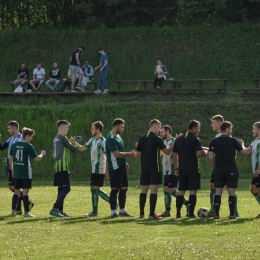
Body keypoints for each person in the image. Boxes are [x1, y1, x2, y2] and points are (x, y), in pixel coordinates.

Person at [136, 120, 175, 219]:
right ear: (154, 127)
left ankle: (141, 214)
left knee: (143, 191)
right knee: (153, 192)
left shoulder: (142, 138)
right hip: (155, 168)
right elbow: (167, 151)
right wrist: (175, 142)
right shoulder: (157, 139)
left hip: (144, 168)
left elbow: (138, 153)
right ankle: (151, 214)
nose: (159, 130)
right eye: (158, 128)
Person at [208, 121, 246, 219]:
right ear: (227, 129)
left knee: (218, 191)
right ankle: (232, 214)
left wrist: (215, 165)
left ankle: (216, 214)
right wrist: (241, 144)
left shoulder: (214, 141)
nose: (231, 131)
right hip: (231, 168)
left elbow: (211, 157)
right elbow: (242, 152)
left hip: (219, 169)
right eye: (231, 129)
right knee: (231, 191)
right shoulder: (233, 140)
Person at [49, 120, 86, 217]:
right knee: (67, 188)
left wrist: (73, 142)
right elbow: (73, 149)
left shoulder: (56, 138)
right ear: (61, 128)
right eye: (66, 127)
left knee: (61, 189)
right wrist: (76, 143)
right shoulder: (62, 137)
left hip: (57, 166)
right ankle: (55, 208)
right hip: (63, 166)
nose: (68, 129)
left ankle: (60, 211)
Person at [173, 120, 208, 218]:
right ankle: (190, 213)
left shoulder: (179, 140)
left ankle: (178, 213)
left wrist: (176, 168)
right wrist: (205, 152)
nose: (199, 130)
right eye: (198, 128)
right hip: (193, 169)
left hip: (182, 169)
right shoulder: (195, 139)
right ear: (193, 128)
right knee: (193, 191)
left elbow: (174, 154)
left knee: (181, 191)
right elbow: (200, 153)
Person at [9, 127, 46, 217]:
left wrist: (12, 169)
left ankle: (13, 211)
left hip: (17, 172)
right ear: (27, 136)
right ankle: (26, 212)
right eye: (31, 137)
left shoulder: (14, 144)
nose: (31, 139)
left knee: (16, 192)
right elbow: (37, 159)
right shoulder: (29, 146)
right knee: (25, 192)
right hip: (26, 173)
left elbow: (10, 158)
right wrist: (42, 154)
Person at [0, 121, 34, 214]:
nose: (8, 130)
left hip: (17, 167)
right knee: (13, 187)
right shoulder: (10, 139)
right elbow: (2, 147)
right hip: (11, 165)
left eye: (9, 128)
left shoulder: (20, 139)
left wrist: (10, 160)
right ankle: (20, 207)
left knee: (15, 188)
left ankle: (21, 207)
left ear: (14, 128)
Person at [78, 121, 110, 216]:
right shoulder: (92, 140)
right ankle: (112, 202)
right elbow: (82, 148)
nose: (91, 130)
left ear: (98, 130)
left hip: (100, 169)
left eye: (93, 129)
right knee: (94, 189)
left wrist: (107, 171)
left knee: (94, 188)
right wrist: (74, 143)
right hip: (94, 169)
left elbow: (108, 156)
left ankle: (95, 212)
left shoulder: (103, 141)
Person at [106, 118, 136, 218]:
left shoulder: (118, 136)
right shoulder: (110, 139)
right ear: (116, 127)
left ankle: (122, 211)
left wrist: (125, 162)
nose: (123, 129)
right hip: (115, 168)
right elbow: (117, 154)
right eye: (121, 127)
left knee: (124, 188)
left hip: (122, 166)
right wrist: (130, 154)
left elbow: (120, 153)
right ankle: (113, 212)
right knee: (115, 189)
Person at [158, 125, 189, 218]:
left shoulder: (175, 141)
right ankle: (167, 211)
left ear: (167, 132)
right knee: (165, 189)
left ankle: (188, 204)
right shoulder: (163, 142)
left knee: (171, 190)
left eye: (162, 132)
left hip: (173, 169)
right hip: (165, 170)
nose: (161, 134)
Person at [239, 122, 260, 218]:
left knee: (258, 190)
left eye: (254, 129)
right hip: (256, 171)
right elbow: (246, 151)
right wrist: (241, 145)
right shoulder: (255, 141)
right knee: (253, 189)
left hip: (259, 171)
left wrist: (258, 170)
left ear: (259, 130)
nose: (253, 130)